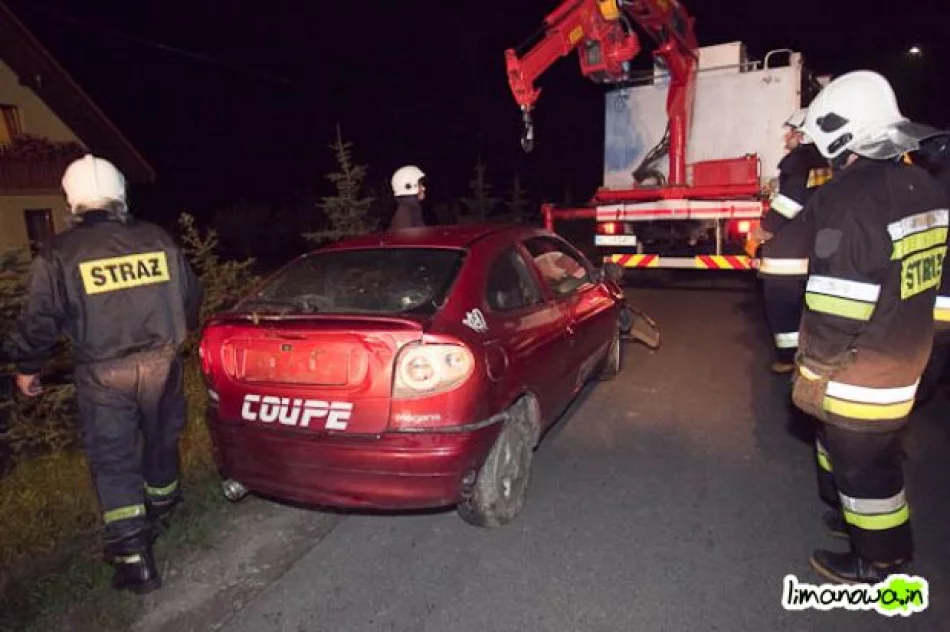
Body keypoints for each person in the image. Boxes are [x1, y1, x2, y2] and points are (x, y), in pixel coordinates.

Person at [9, 154, 203, 594]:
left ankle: (135, 561)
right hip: (161, 363)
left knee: (113, 461)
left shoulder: (59, 252)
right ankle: (164, 508)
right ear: (120, 194)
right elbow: (192, 294)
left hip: (102, 374)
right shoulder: (156, 238)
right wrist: (177, 332)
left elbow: (40, 317)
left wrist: (27, 367)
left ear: (72, 201)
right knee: (160, 438)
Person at [792, 71, 948, 584]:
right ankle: (853, 519)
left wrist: (813, 371)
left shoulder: (847, 199)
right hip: (911, 354)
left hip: (860, 370)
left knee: (864, 468)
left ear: (842, 135)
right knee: (859, 453)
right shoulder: (922, 184)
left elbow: (838, 304)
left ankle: (881, 558)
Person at [754, 109, 832, 373]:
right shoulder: (822, 162)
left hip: (787, 256)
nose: (786, 135)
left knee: (781, 308)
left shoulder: (797, 162)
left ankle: (788, 358)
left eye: (791, 131)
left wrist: (764, 230)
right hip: (811, 248)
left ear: (803, 136)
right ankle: (810, 351)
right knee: (807, 307)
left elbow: (790, 202)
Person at [387, 164, 428, 230]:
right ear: (409, 187)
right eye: (420, 185)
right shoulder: (405, 214)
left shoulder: (411, 209)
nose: (423, 188)